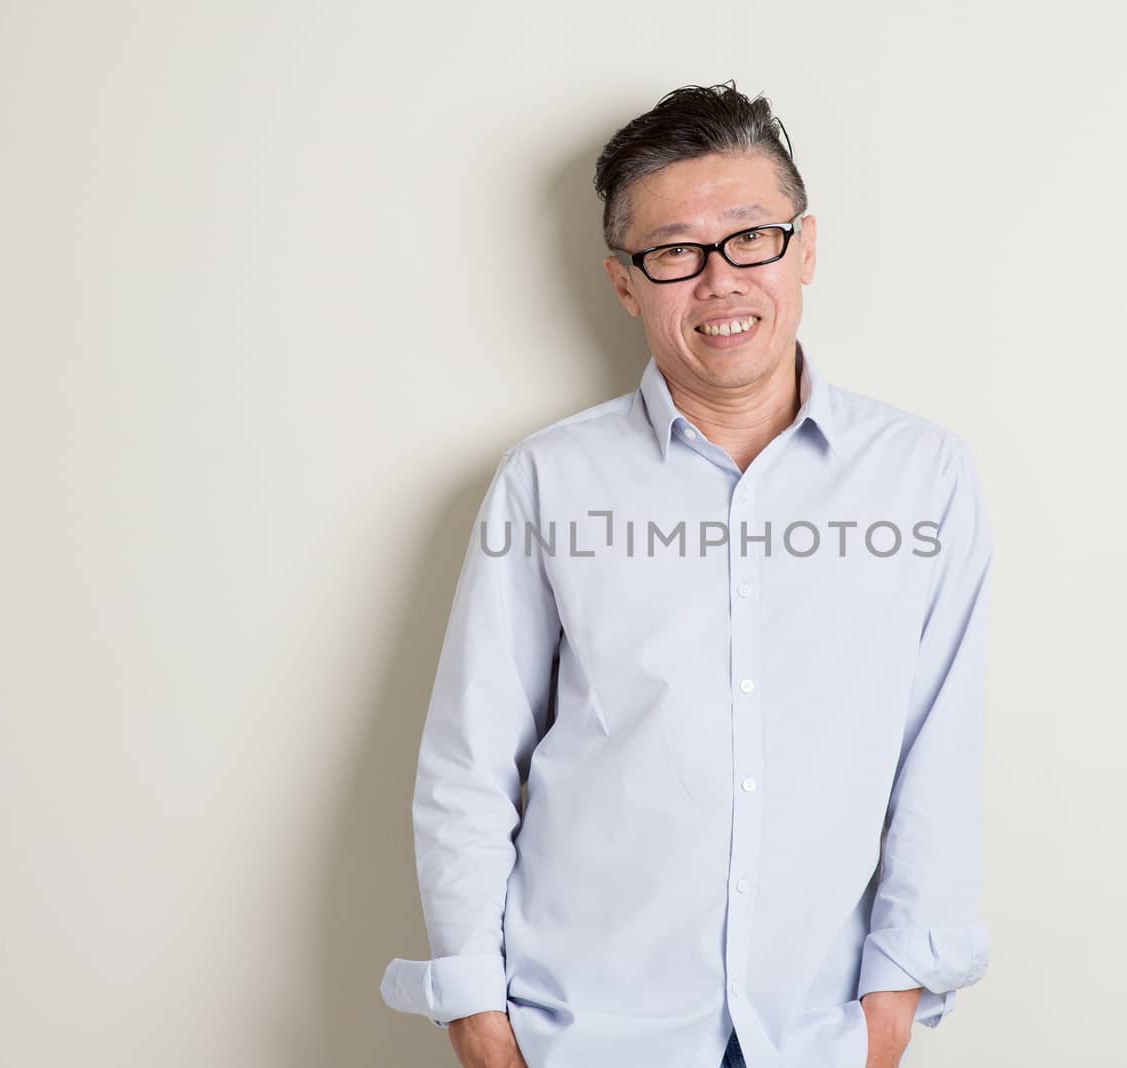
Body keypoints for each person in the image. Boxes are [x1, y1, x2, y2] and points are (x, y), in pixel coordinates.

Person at [381, 81, 994, 1068]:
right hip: (579, 1030)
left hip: (818, 1030)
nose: (720, 281)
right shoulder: (548, 479)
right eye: (675, 253)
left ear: (804, 248)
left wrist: (886, 1017)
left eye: (751, 237)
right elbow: (470, 760)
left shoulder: (922, 476)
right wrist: (483, 1028)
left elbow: (938, 753)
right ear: (626, 281)